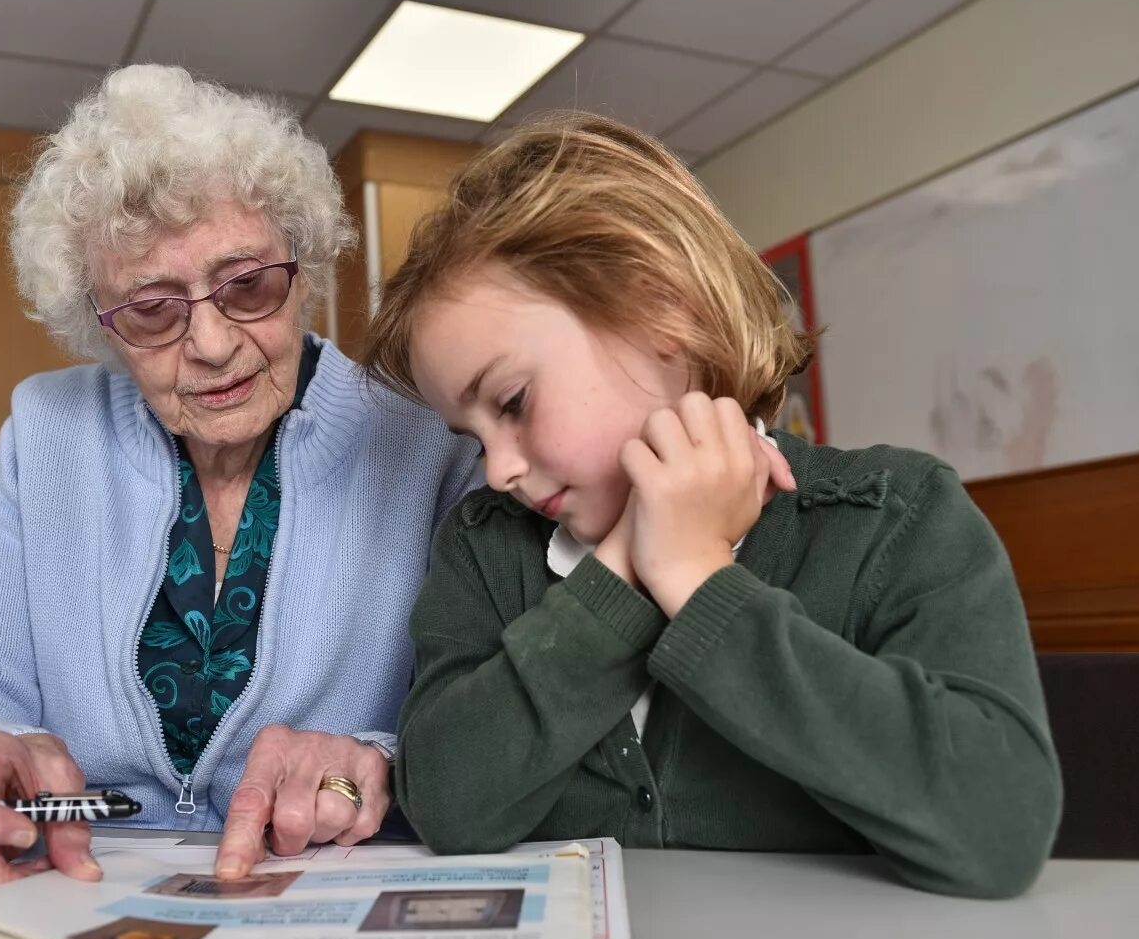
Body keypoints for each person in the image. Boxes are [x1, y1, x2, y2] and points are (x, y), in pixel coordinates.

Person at [355, 113, 1062, 898]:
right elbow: (449, 805)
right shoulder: (484, 546)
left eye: (512, 402)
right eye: (472, 435)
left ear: (660, 312)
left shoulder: (897, 515)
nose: (496, 473)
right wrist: (624, 574)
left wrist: (695, 579)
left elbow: (998, 825)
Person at [0, 66, 480, 893]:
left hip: (328, 887)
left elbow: (494, 714)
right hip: (83, 882)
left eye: (247, 285)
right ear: (99, 321)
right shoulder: (47, 433)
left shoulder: (423, 436)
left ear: (300, 271)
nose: (209, 342)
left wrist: (375, 763)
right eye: (153, 308)